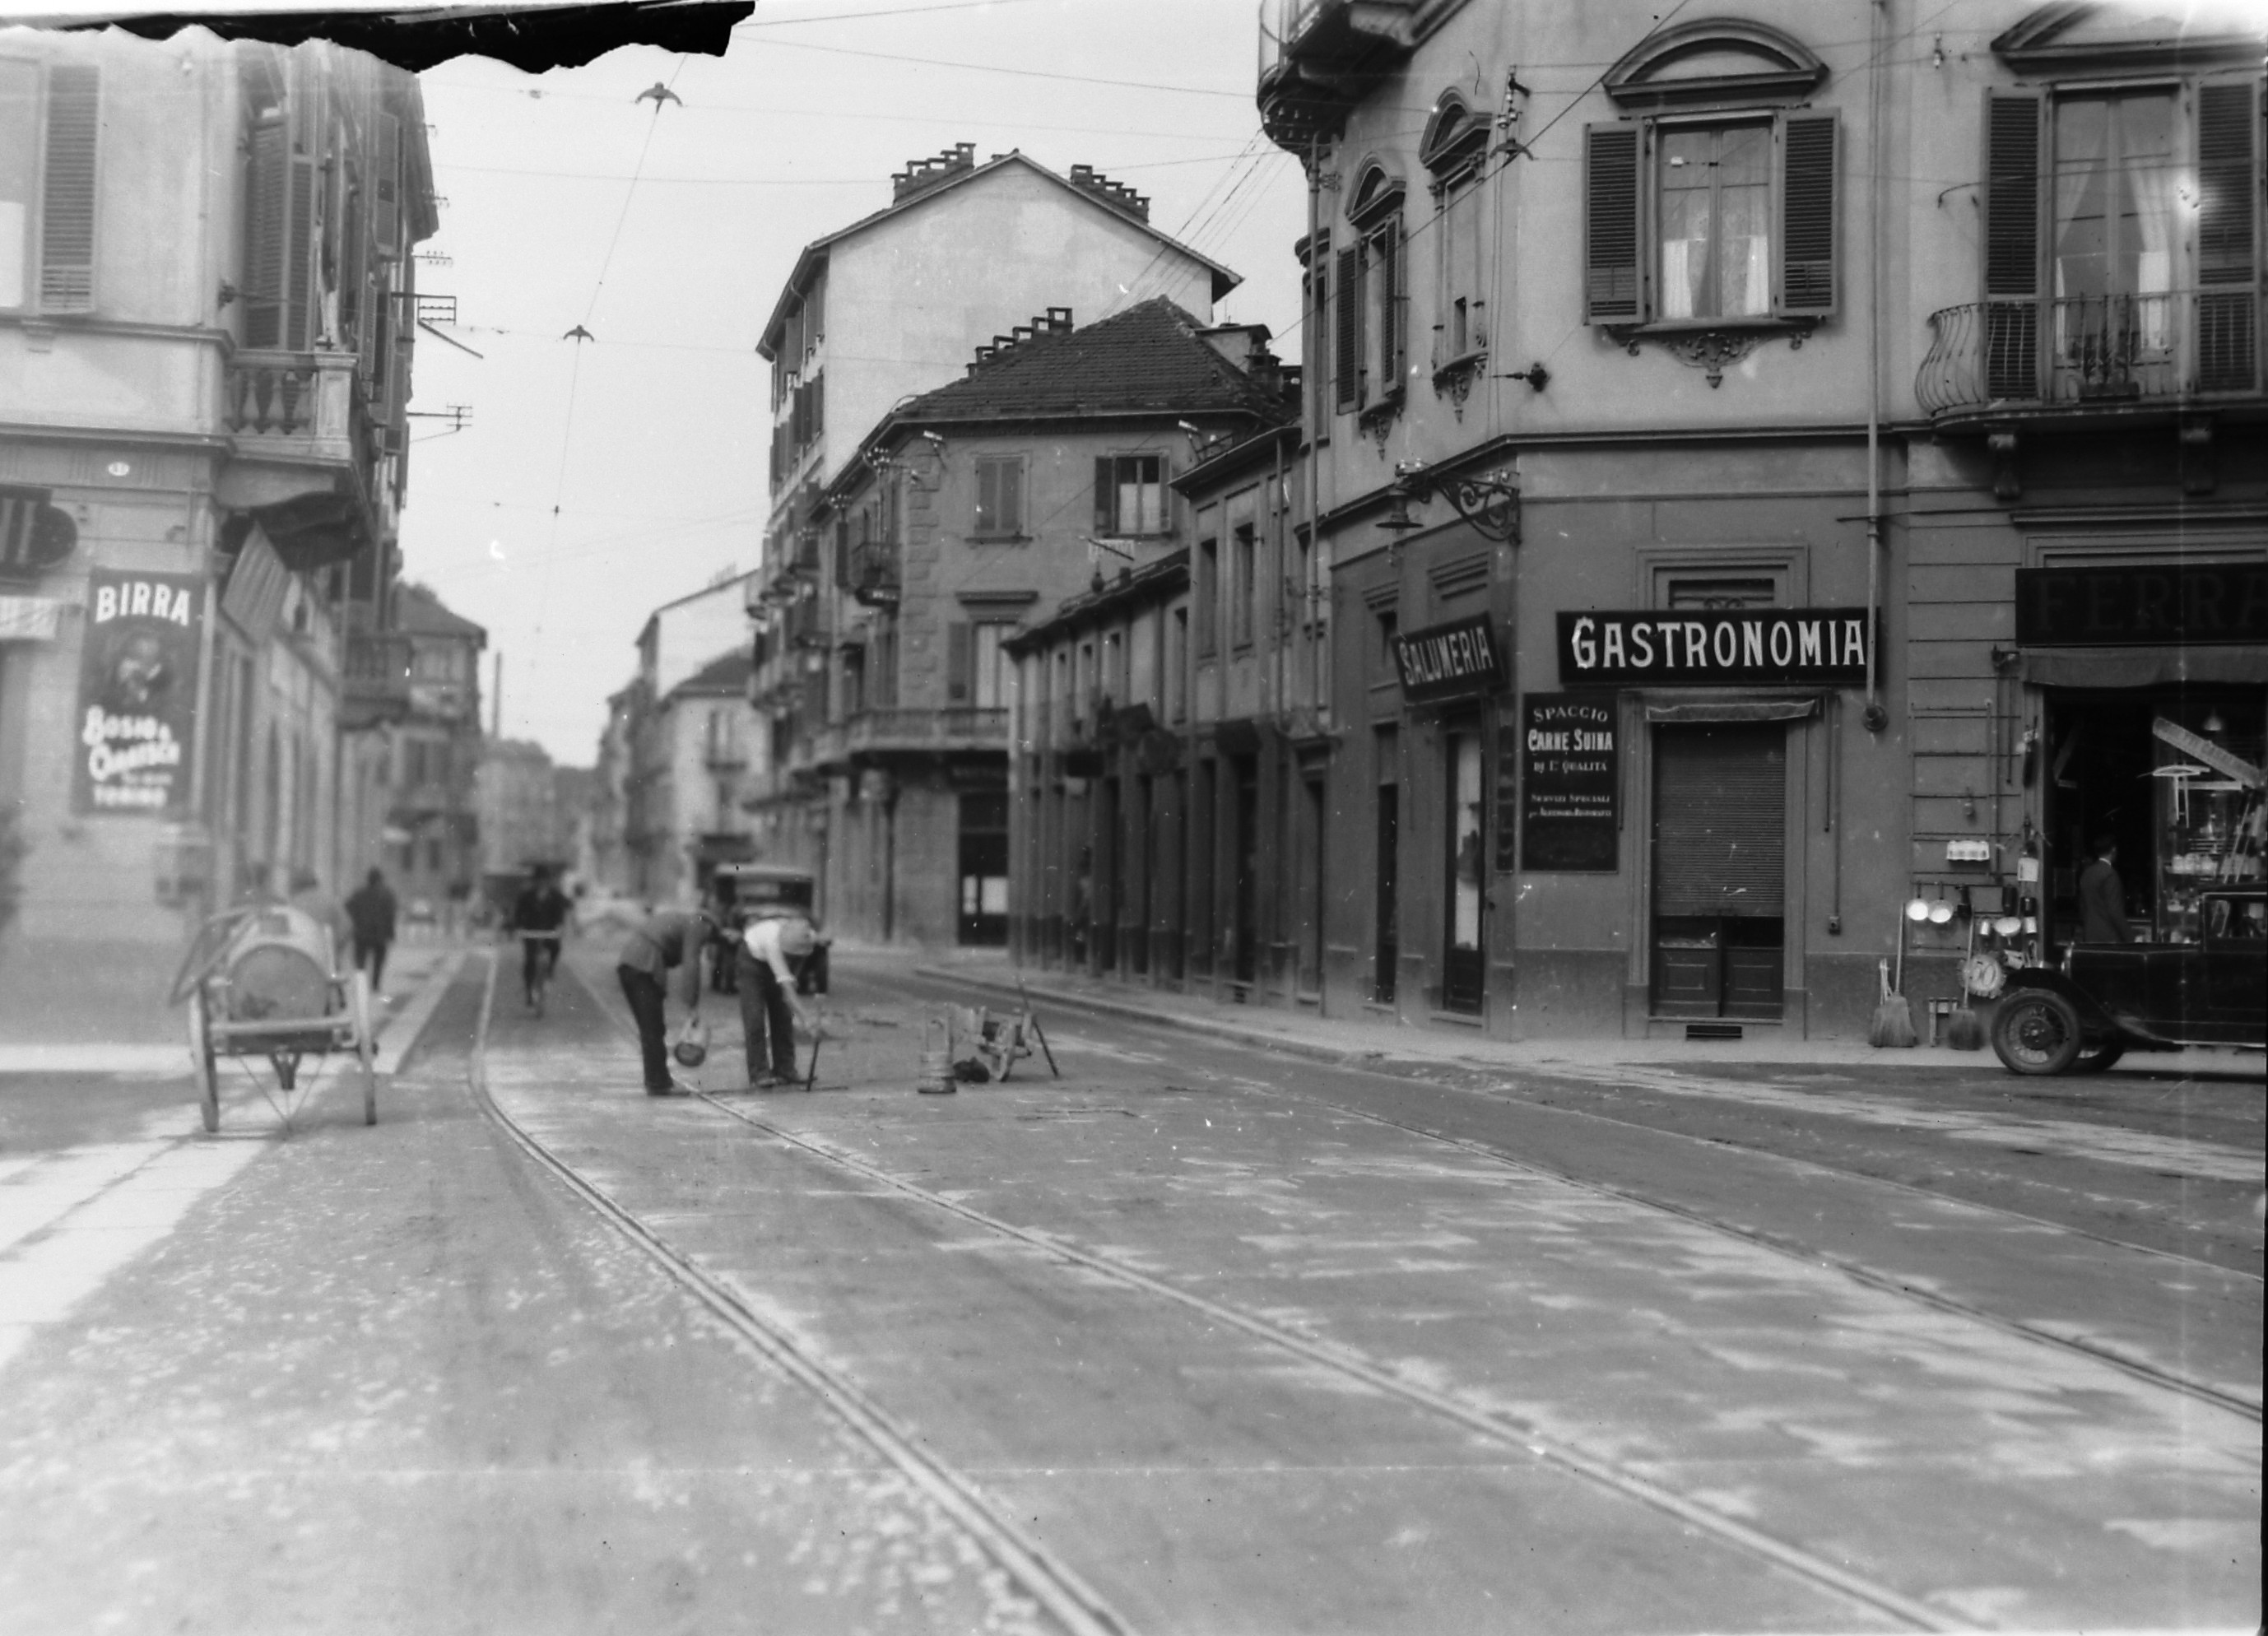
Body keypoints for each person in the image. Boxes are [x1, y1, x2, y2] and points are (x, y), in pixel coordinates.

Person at [616, 904, 718, 1095]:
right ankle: (658, 1083)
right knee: (652, 1028)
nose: (706, 942)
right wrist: (692, 1004)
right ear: (710, 925)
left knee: (652, 1027)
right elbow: (691, 964)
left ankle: (659, 1079)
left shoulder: (681, 920)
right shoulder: (697, 925)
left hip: (630, 963)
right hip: (644, 965)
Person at [737, 913, 819, 1088]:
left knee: (783, 1015)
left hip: (779, 959)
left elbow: (799, 960)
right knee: (755, 1017)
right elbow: (787, 988)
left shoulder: (807, 937)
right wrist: (807, 1019)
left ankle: (785, 1069)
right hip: (752, 961)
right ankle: (759, 1074)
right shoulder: (773, 944)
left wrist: (793, 979)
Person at [509, 864, 574, 1010]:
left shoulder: (556, 895)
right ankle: (528, 990)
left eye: (545, 880)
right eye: (539, 879)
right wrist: (518, 927)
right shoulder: (526, 896)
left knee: (556, 948)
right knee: (530, 960)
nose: (542, 882)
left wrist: (560, 926)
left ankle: (550, 970)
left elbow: (564, 909)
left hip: (550, 932)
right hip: (531, 932)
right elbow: (519, 913)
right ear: (535, 881)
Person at [288, 869, 353, 975]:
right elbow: (347, 925)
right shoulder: (330, 900)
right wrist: (336, 945)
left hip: (299, 957)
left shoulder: (292, 903)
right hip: (327, 957)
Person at [345, 867, 398, 995]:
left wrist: (357, 921)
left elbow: (349, 907)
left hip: (362, 933)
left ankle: (361, 984)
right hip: (379, 934)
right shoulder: (387, 895)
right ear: (380, 879)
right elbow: (391, 915)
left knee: (360, 961)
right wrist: (391, 934)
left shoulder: (359, 893)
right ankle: (375, 985)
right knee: (378, 962)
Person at [2077, 834, 2135, 943]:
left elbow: (2082, 907)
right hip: (2109, 937)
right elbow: (2115, 910)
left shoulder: (2086, 874)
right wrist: (2130, 938)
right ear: (2114, 850)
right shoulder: (2110, 875)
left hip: (2089, 935)